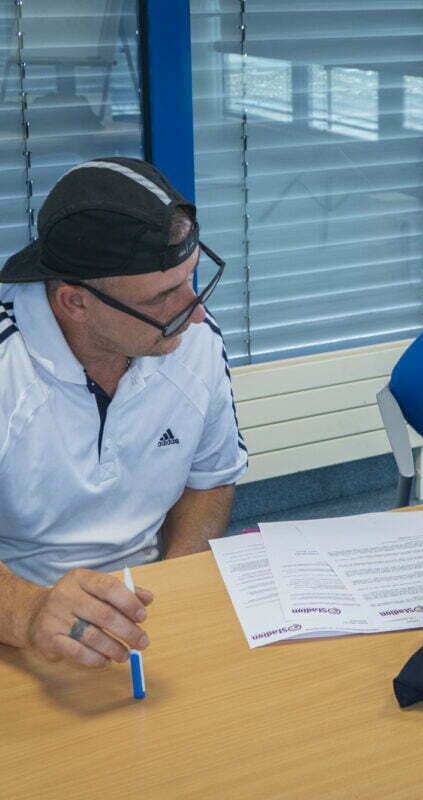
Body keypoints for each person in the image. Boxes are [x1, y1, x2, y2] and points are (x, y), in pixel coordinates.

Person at [0, 158, 248, 669]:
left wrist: (178, 587)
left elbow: (209, 479)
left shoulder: (192, 338)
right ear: (74, 302)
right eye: (163, 296)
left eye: (190, 278)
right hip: (17, 624)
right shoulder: (7, 367)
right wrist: (29, 613)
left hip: (144, 609)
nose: (196, 311)